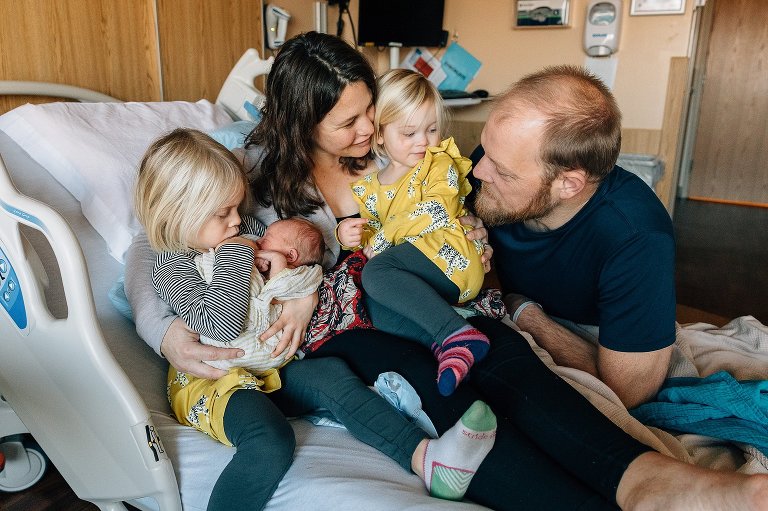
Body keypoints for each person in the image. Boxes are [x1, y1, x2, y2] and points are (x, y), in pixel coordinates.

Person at [125, 32, 768, 511]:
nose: (369, 128)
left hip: (397, 287)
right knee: (419, 374)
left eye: (370, 110)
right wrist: (168, 337)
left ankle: (645, 479)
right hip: (328, 329)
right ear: (301, 123)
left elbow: (440, 207)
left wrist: (468, 240)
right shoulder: (248, 171)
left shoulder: (386, 149)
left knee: (491, 344)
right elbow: (149, 250)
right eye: (348, 120)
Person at [132, 127, 498, 510]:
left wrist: (300, 287)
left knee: (333, 376)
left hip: (273, 362)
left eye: (237, 209)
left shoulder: (245, 229)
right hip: (215, 379)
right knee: (270, 439)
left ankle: (426, 458)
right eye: (222, 214)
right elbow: (219, 324)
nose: (237, 223)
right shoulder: (172, 264)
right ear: (177, 214)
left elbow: (301, 260)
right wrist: (236, 253)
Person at [469, 65, 674, 409]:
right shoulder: (488, 165)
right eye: (484, 149)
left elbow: (626, 391)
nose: (478, 170)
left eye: (502, 171)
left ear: (568, 184)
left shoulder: (636, 238)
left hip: (585, 330)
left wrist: (522, 310)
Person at [336, 69, 488, 396]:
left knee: (376, 272)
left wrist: (381, 241)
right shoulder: (371, 189)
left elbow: (438, 210)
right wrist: (348, 235)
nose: (423, 141)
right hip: (419, 277)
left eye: (431, 129)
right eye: (409, 133)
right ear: (379, 135)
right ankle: (444, 343)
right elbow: (373, 237)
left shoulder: (438, 165)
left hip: (451, 258)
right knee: (373, 306)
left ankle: (457, 332)